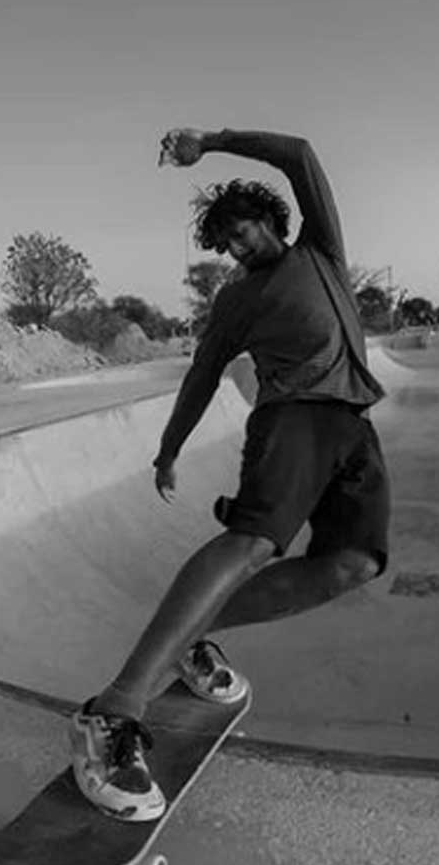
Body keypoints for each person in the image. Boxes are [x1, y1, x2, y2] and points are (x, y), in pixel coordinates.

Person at [69, 128, 391, 821]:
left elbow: (303, 153)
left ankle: (189, 640)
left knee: (353, 564)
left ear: (271, 221)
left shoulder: (321, 251)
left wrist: (209, 143)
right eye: (230, 245)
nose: (240, 251)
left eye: (245, 234)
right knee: (252, 545)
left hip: (353, 429)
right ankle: (114, 711)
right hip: (292, 420)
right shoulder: (237, 303)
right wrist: (169, 447)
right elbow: (202, 375)